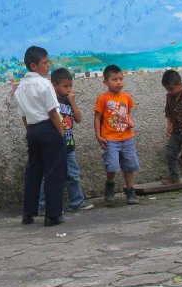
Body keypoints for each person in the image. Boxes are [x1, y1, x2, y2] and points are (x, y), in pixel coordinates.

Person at [14, 46, 66, 226]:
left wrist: (30, 131)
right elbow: (53, 111)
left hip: (33, 130)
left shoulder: (20, 88)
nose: (48, 65)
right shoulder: (44, 84)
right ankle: (52, 215)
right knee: (53, 171)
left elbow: (23, 116)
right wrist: (61, 133)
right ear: (33, 65)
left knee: (33, 171)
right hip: (49, 128)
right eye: (45, 62)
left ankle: (28, 213)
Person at [37, 68, 91, 214]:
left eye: (70, 86)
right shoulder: (49, 101)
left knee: (73, 175)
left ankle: (76, 203)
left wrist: (73, 102)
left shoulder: (68, 100)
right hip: (52, 147)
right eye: (65, 86)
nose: (69, 89)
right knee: (50, 176)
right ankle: (43, 206)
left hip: (69, 146)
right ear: (54, 85)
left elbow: (78, 119)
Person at [95, 64, 140, 205]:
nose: (119, 82)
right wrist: (98, 135)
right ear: (106, 82)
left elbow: (128, 113)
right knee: (112, 165)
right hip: (110, 139)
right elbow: (97, 117)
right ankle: (109, 186)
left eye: (121, 78)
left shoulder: (126, 96)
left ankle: (130, 190)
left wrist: (130, 121)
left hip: (126, 137)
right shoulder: (103, 98)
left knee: (129, 165)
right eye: (114, 79)